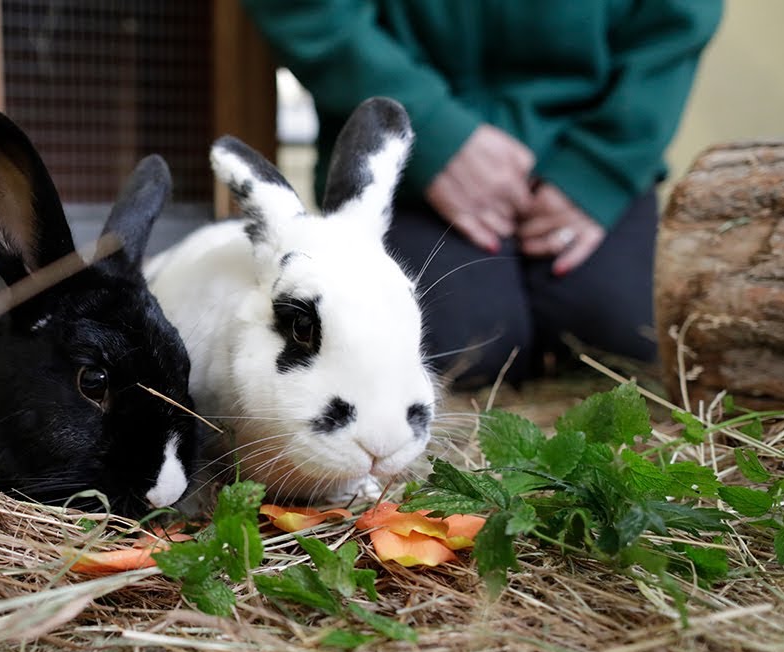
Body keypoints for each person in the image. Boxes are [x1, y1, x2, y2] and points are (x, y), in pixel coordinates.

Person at [242, 1, 723, 389]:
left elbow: (677, 22)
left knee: (622, 342)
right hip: (410, 150)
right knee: (456, 349)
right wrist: (433, 130)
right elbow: (310, 11)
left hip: (595, 137)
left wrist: (601, 166)